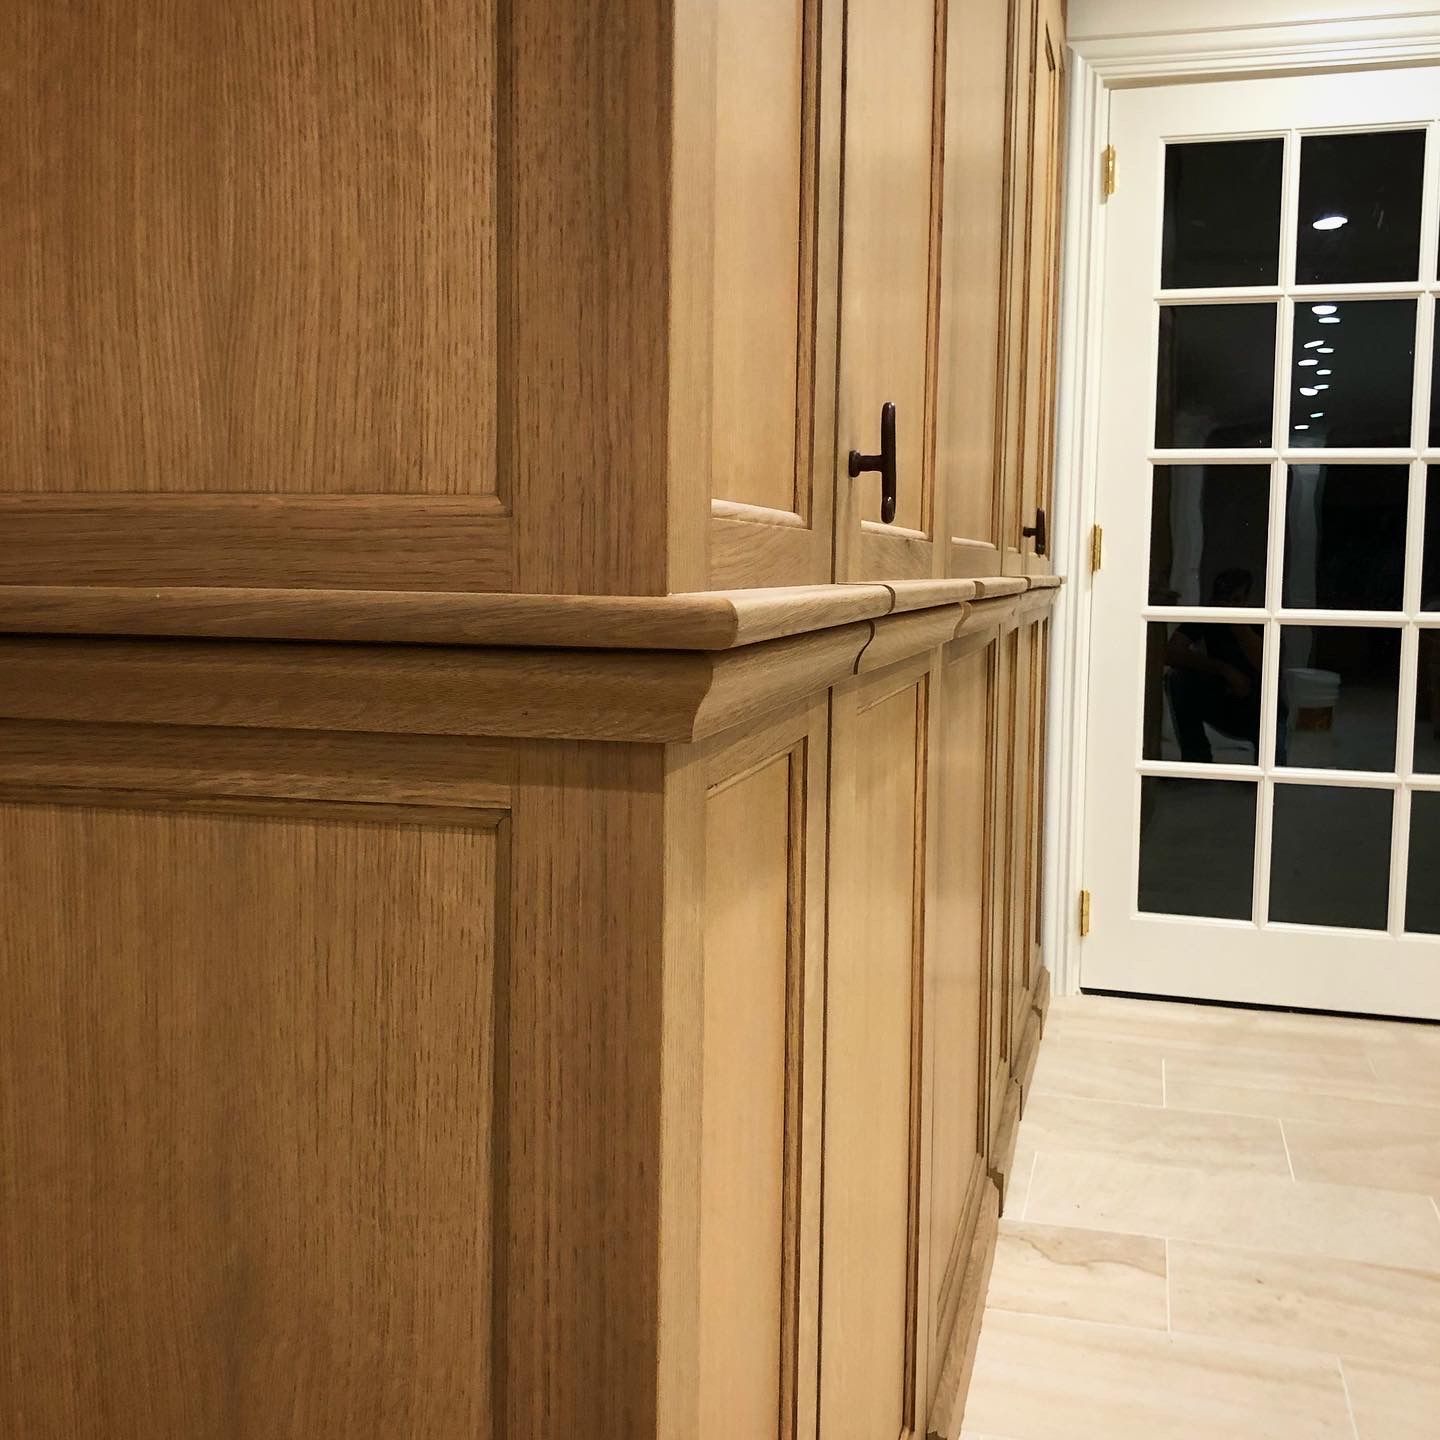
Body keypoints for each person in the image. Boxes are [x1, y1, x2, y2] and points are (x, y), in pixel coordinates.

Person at [1164, 568, 1267, 763]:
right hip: (1223, 701)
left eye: (1235, 600)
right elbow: (1171, 653)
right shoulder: (1209, 616)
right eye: (1224, 598)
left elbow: (1266, 663)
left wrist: (1239, 624)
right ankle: (1197, 759)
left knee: (1275, 775)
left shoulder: (1262, 621)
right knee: (1176, 678)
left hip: (1260, 709)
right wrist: (1224, 670)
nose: (1228, 605)